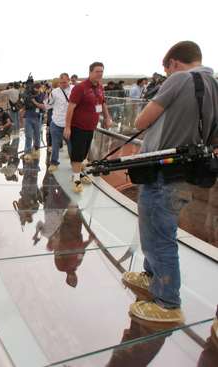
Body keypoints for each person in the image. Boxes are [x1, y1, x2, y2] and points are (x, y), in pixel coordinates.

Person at [122, 41, 218, 323]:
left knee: (159, 236)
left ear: (174, 63)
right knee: (157, 230)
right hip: (185, 173)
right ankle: (151, 277)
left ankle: (168, 303)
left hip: (161, 171)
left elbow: (141, 121)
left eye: (166, 70)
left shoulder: (180, 79)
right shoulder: (214, 84)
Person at [64, 62, 113, 193]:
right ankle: (76, 180)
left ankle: (79, 174)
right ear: (90, 72)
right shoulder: (80, 88)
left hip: (91, 127)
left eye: (102, 72)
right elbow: (70, 108)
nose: (100, 74)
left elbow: (102, 103)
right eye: (97, 71)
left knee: (84, 154)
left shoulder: (100, 87)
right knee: (77, 155)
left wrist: (107, 117)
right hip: (78, 127)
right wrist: (67, 127)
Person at [47, 73, 72, 172]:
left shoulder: (74, 90)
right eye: (61, 83)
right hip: (56, 123)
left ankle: (74, 163)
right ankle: (54, 163)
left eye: (65, 82)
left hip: (69, 124)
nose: (62, 84)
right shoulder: (54, 92)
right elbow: (49, 104)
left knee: (71, 146)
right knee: (55, 145)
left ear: (69, 80)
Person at [22, 82, 46, 161]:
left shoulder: (43, 95)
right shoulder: (29, 94)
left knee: (37, 135)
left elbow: (43, 107)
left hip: (37, 117)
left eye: (37, 88)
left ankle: (36, 150)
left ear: (40, 88)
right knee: (28, 135)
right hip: (28, 117)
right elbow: (24, 104)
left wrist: (34, 101)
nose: (35, 90)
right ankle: (27, 152)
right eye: (34, 88)